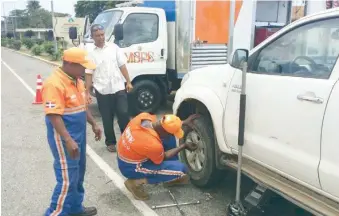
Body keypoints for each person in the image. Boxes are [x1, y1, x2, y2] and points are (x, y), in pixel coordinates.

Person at [42, 47, 102, 216]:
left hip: (79, 136)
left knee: (78, 173)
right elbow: (54, 116)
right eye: (82, 66)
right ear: (69, 64)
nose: (84, 70)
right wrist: (68, 140)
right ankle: (54, 213)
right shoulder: (54, 83)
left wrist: (93, 123)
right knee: (67, 179)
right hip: (64, 139)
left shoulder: (77, 80)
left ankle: (75, 208)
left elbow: (83, 106)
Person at [117, 112, 199, 200]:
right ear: (164, 130)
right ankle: (134, 182)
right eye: (171, 133)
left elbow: (165, 127)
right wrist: (184, 146)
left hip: (129, 154)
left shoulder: (144, 117)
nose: (173, 135)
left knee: (169, 138)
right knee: (181, 170)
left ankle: (169, 174)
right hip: (132, 167)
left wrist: (181, 123)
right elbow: (164, 157)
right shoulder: (153, 145)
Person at [85, 24, 133, 153]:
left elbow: (122, 65)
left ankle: (127, 141)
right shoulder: (90, 53)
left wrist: (128, 81)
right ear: (93, 37)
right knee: (107, 118)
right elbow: (89, 73)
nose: (101, 37)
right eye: (97, 36)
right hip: (102, 90)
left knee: (123, 114)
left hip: (118, 87)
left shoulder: (114, 48)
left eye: (102, 35)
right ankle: (111, 142)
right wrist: (87, 92)